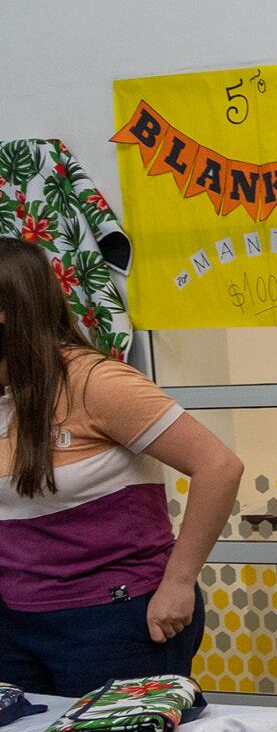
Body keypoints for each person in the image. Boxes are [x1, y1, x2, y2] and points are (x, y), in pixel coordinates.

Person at [0, 238, 243, 694]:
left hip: (116, 616)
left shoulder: (96, 382)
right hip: (16, 623)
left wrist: (178, 584)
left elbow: (219, 466)